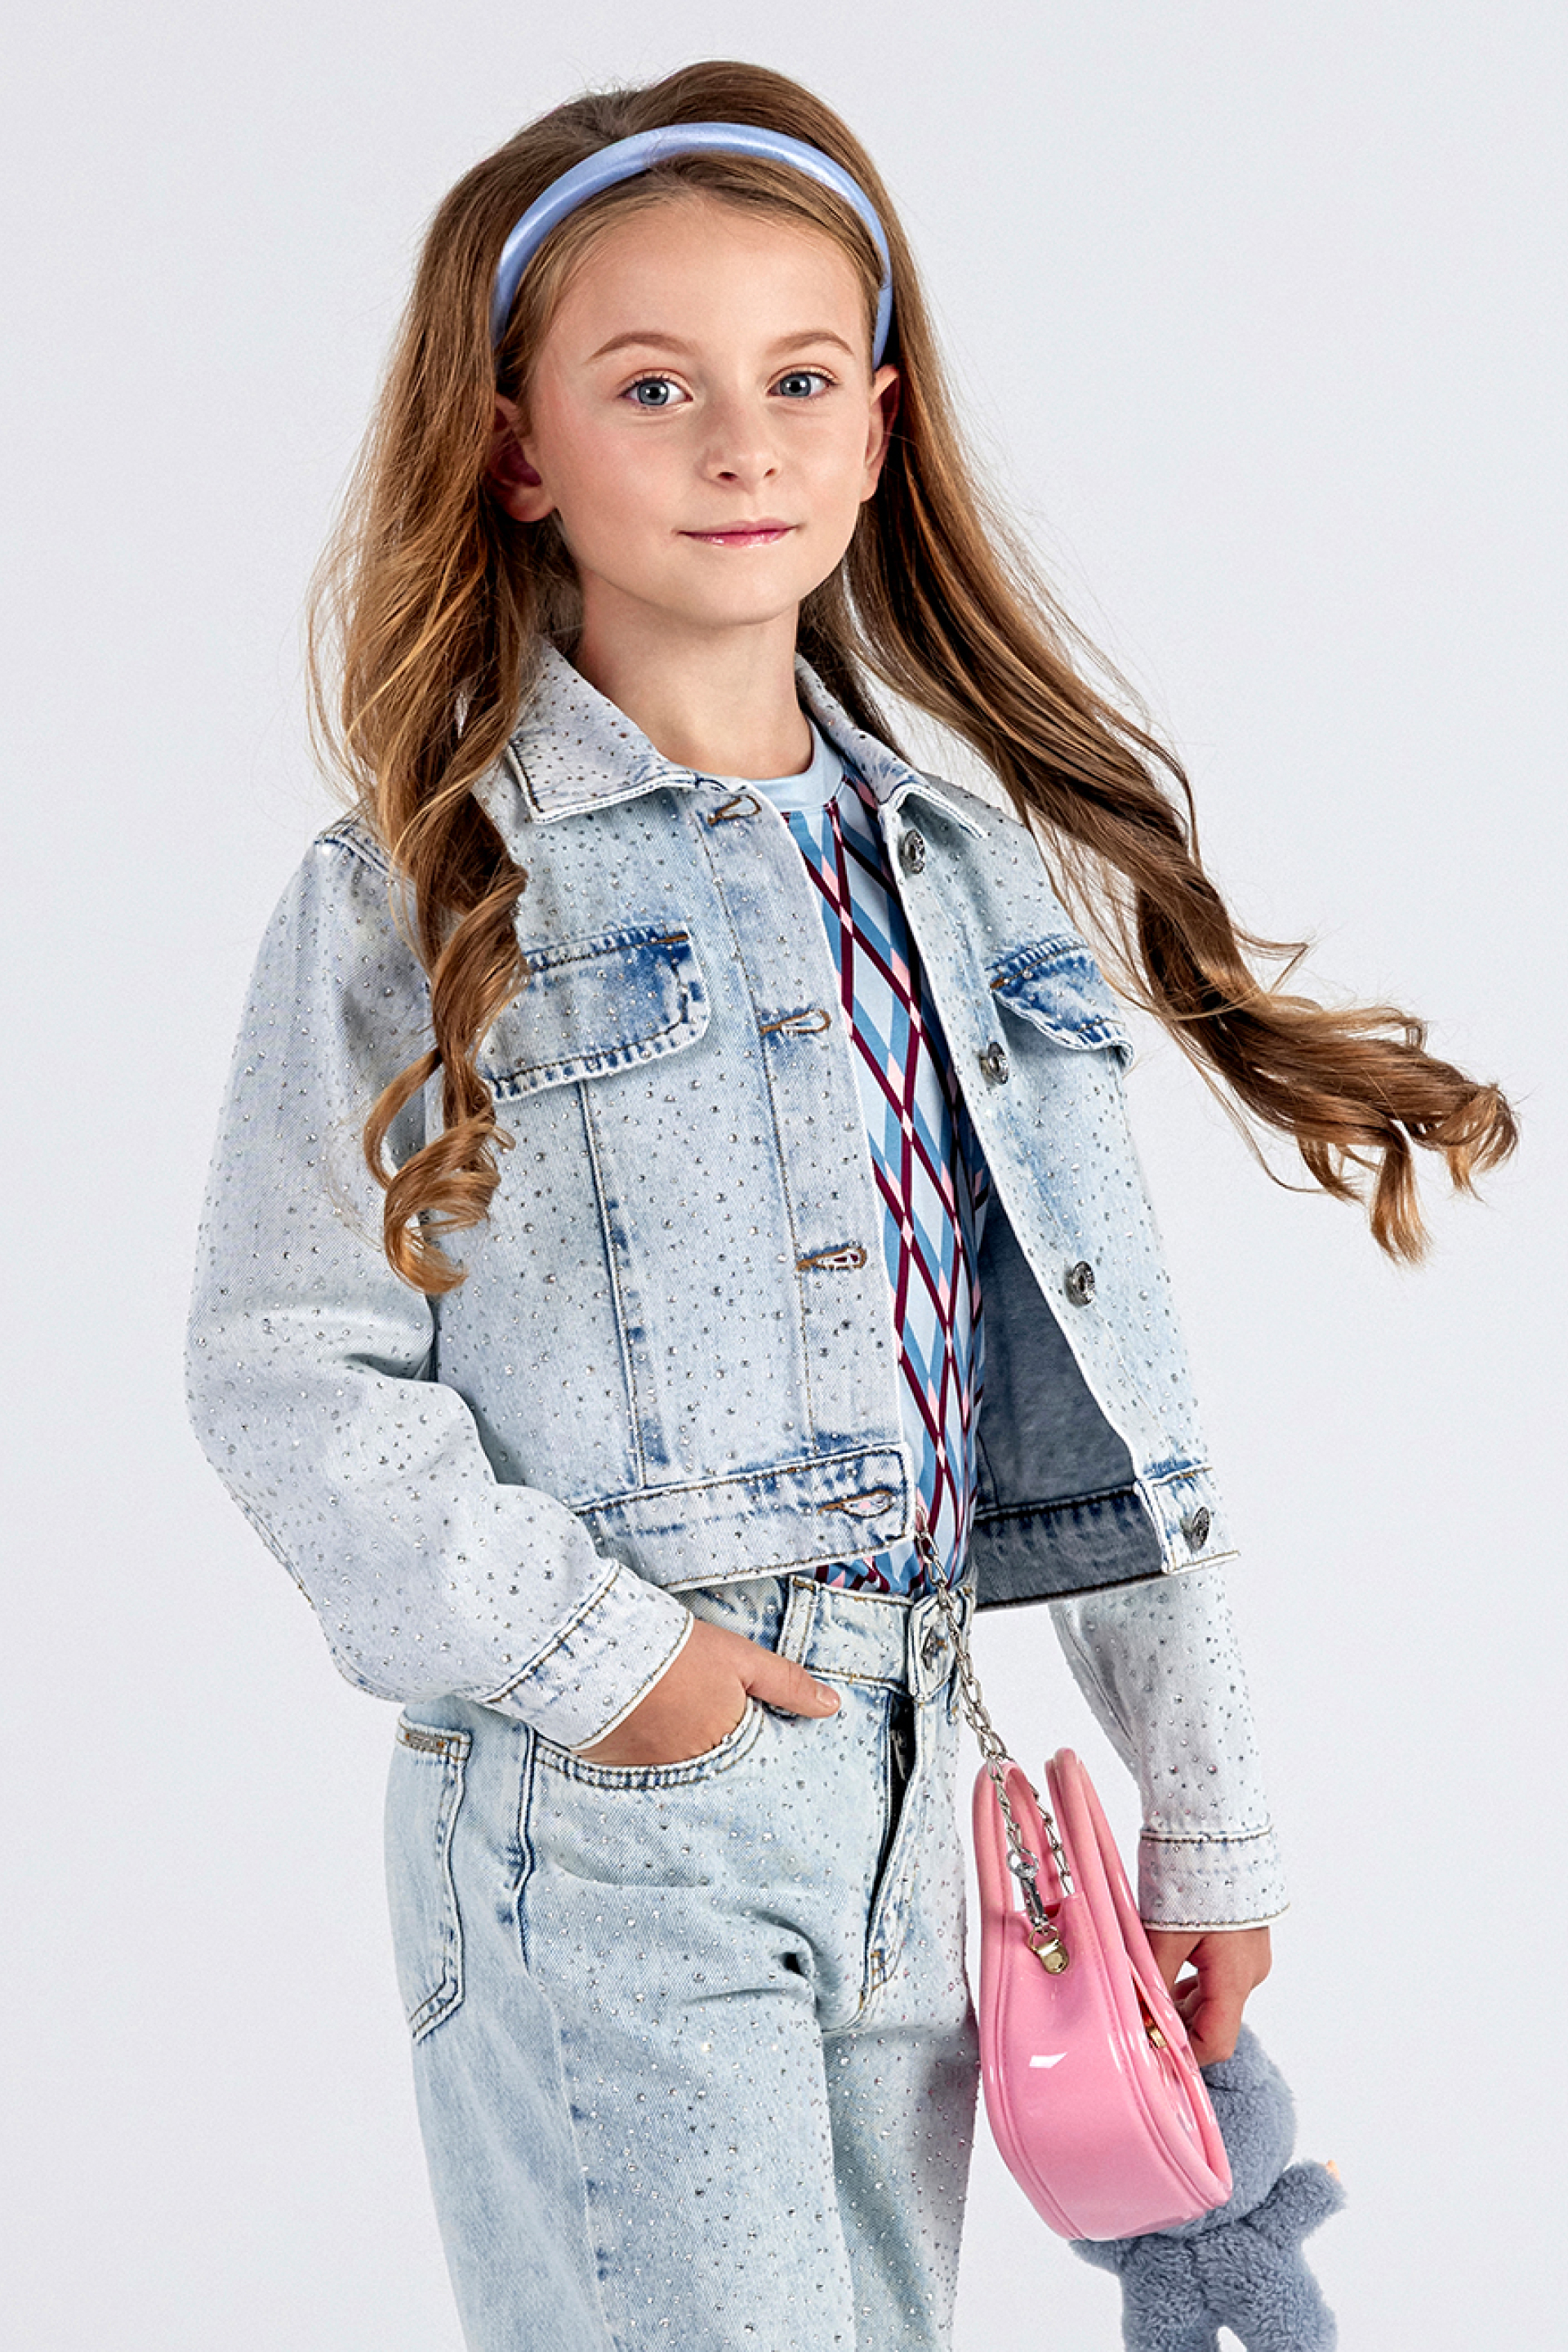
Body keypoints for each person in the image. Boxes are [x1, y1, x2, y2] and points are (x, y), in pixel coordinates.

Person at [185, 58, 1514, 2352]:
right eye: (655, 387)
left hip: (931, 1801)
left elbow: (1111, 1383)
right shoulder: (423, 887)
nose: (743, 445)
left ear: (881, 427)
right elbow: (287, 1362)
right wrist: (620, 1672)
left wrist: (1207, 1816)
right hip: (617, 1813)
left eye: (801, 380)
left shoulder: (977, 882)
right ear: (517, 448)